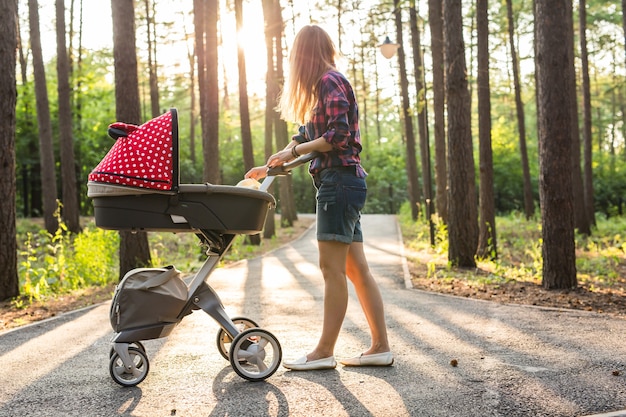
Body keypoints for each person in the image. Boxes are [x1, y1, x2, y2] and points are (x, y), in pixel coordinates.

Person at [245, 25, 393, 370]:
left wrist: (296, 148)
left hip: (339, 184)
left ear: (304, 54)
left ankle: (323, 352)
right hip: (343, 184)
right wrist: (273, 163)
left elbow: (336, 136)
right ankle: (380, 347)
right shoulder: (321, 89)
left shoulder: (330, 81)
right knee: (356, 270)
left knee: (332, 269)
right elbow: (307, 137)